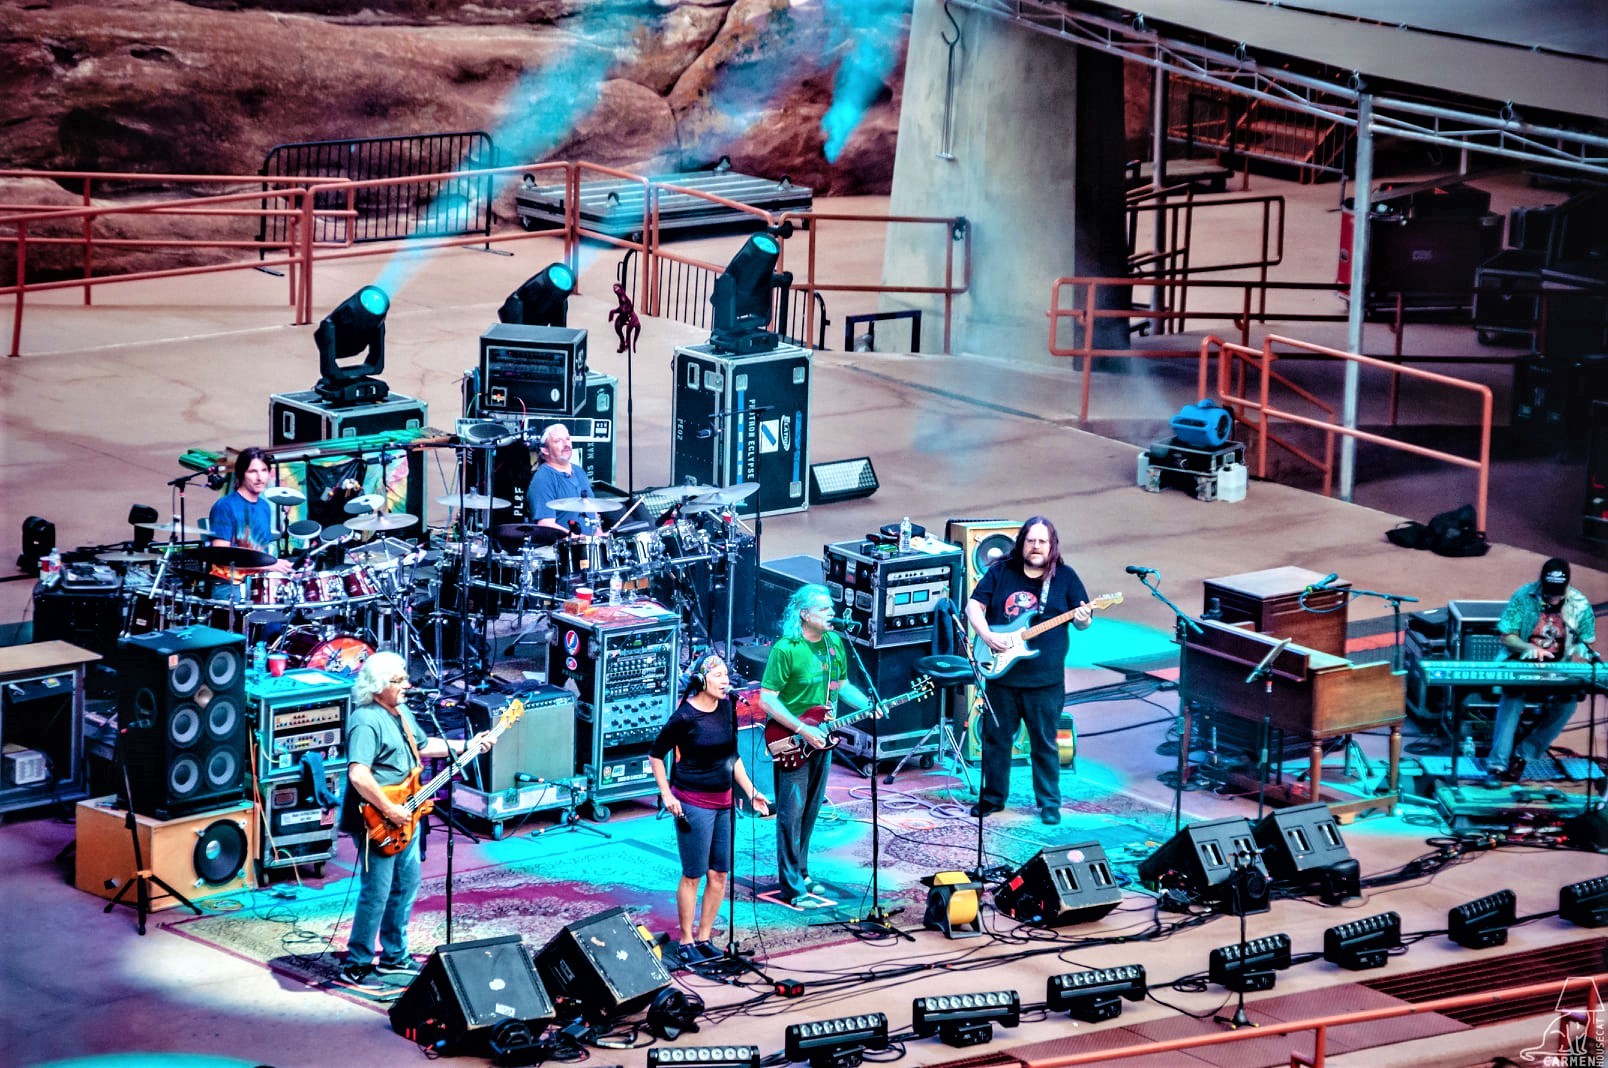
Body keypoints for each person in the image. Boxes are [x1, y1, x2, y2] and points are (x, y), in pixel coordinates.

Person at [336, 651, 495, 992]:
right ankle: (358, 962)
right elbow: (358, 774)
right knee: (376, 892)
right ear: (378, 686)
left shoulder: (401, 711)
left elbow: (424, 746)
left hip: (406, 813)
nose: (407, 684)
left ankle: (395, 954)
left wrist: (468, 744)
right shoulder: (365, 720)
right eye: (399, 681)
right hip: (377, 817)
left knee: (406, 885)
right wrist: (389, 809)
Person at [965, 516, 1092, 824]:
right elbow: (973, 607)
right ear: (1022, 542)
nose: (1036, 547)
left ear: (1052, 546)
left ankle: (1049, 803)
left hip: (1045, 680)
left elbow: (1082, 622)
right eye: (1031, 540)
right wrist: (987, 635)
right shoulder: (1000, 573)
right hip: (1002, 676)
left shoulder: (1066, 578)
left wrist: (1085, 617)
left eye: (1042, 542)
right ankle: (993, 797)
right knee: (996, 740)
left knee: (1045, 742)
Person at [649, 653, 770, 964]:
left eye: (727, 676)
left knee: (719, 874)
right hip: (693, 802)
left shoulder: (728, 709)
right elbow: (656, 754)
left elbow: (733, 757)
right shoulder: (685, 717)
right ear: (702, 681)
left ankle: (704, 936)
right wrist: (667, 795)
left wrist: (751, 791)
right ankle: (686, 940)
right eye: (718, 676)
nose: (725, 681)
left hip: (724, 801)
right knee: (694, 874)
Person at [760, 584, 869, 907]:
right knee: (790, 813)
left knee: (810, 809)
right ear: (804, 614)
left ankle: (802, 871)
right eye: (823, 610)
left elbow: (843, 686)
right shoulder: (786, 648)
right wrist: (801, 729)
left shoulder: (835, 643)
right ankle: (792, 886)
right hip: (790, 737)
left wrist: (869, 704)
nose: (831, 615)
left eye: (831, 609)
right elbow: (767, 699)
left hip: (823, 738)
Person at [1485, 557, 1596, 783]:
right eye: (1548, 591)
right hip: (1521, 664)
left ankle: (1524, 754)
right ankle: (1497, 765)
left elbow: (1586, 641)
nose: (1552, 597)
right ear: (1541, 582)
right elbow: (1507, 636)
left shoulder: (1580, 604)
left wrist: (1587, 659)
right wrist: (1528, 647)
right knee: (1512, 698)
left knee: (1568, 704)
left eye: (1557, 593)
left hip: (1558, 668)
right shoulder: (1523, 596)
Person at [206, 446, 293, 592]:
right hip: (229, 588)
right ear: (241, 474)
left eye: (264, 470)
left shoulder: (265, 507)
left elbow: (260, 551)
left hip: (257, 588)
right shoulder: (225, 506)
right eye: (253, 471)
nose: (260, 478)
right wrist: (268, 565)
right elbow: (220, 554)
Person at [526, 424, 599, 535]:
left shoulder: (579, 472)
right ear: (545, 450)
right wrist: (579, 539)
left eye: (568, 439)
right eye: (558, 441)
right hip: (559, 549)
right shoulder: (543, 478)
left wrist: (600, 536)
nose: (566, 444)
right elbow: (546, 524)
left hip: (588, 547)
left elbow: (592, 513)